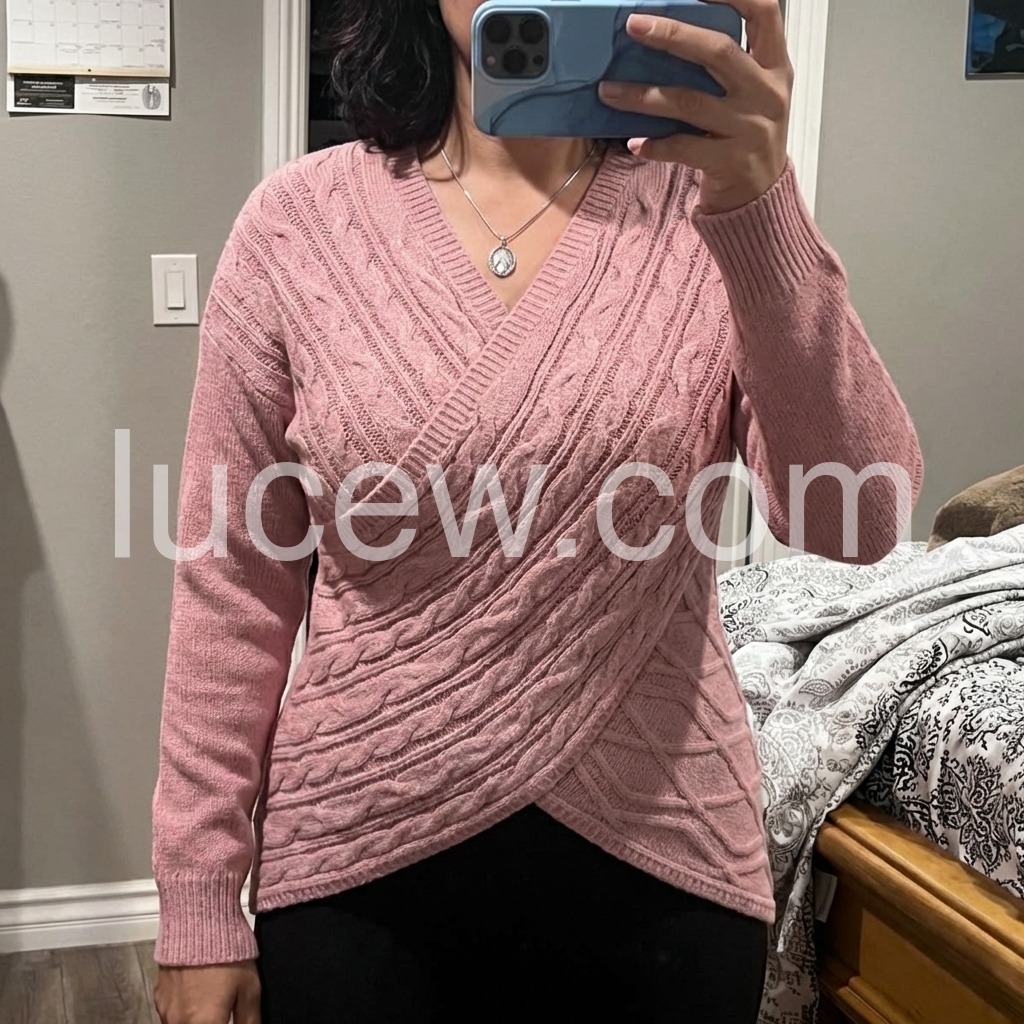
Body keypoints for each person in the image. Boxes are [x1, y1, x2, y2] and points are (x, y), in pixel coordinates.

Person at [150, 1, 923, 1022]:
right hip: (355, 862)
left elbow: (857, 520)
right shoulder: (296, 227)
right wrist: (199, 897)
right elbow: (231, 585)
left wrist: (761, 207)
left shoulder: (712, 211)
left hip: (664, 871)